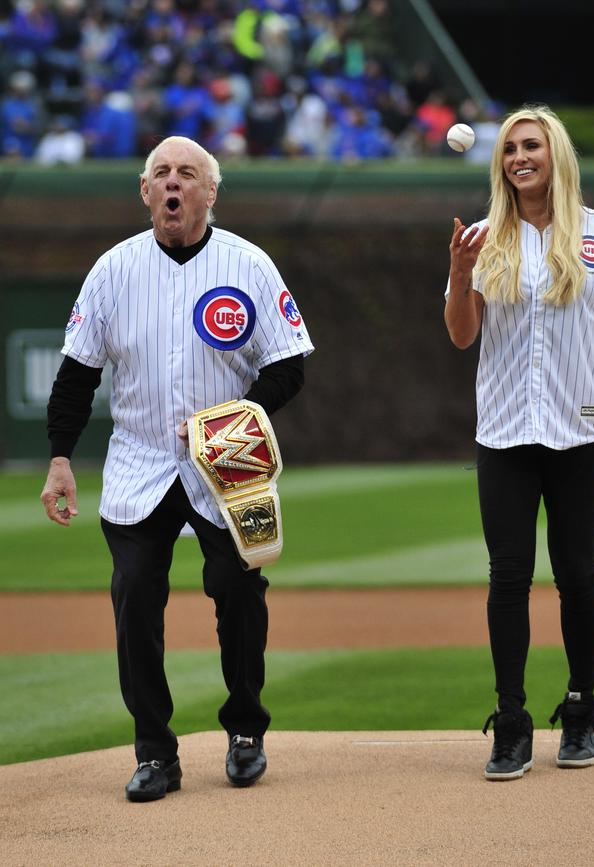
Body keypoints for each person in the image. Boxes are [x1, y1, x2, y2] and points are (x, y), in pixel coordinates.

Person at [40, 135, 314, 801]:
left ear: (210, 191)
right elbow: (77, 375)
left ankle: (245, 728)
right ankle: (154, 752)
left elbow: (289, 363)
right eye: (160, 173)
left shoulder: (247, 264)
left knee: (240, 590)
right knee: (135, 595)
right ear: (144, 191)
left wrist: (240, 415)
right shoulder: (113, 270)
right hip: (138, 463)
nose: (173, 183)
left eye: (187, 173)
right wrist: (59, 458)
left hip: (230, 463)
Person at [444, 105, 594, 781]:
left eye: (530, 145)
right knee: (507, 577)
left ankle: (582, 706)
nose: (518, 157)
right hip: (504, 429)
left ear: (555, 153)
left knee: (575, 572)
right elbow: (462, 334)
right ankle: (510, 720)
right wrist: (458, 272)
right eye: (508, 149)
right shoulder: (481, 237)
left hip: (580, 427)